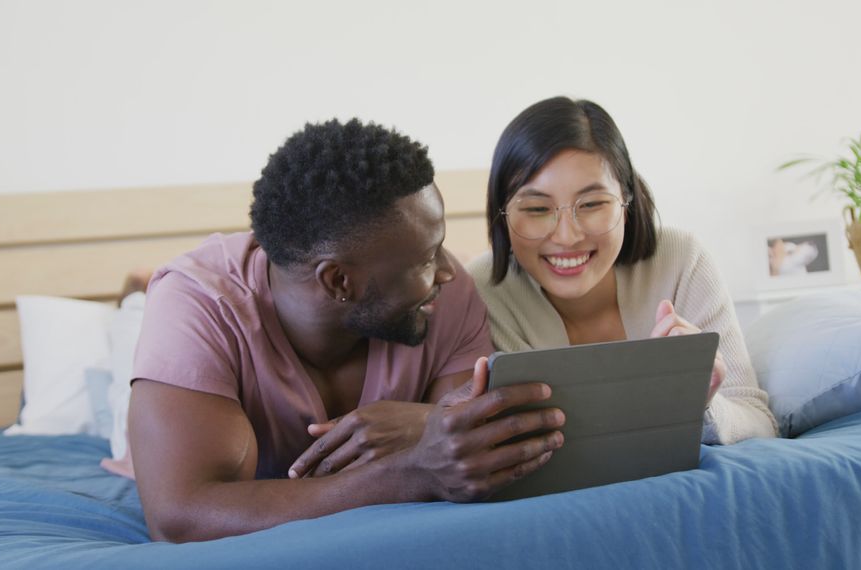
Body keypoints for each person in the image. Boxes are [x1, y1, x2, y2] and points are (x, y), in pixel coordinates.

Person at [129, 119, 565, 543]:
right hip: (177, 349)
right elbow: (179, 519)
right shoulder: (198, 308)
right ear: (338, 281)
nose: (451, 271)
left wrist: (429, 426)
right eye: (427, 259)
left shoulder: (445, 296)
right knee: (137, 332)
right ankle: (133, 295)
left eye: (441, 246)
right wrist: (408, 472)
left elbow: (466, 446)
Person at [466, 97, 777, 444]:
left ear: (626, 201)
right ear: (502, 215)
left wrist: (700, 403)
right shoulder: (481, 292)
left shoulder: (681, 260)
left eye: (593, 204)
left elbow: (760, 423)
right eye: (537, 208)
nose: (567, 236)